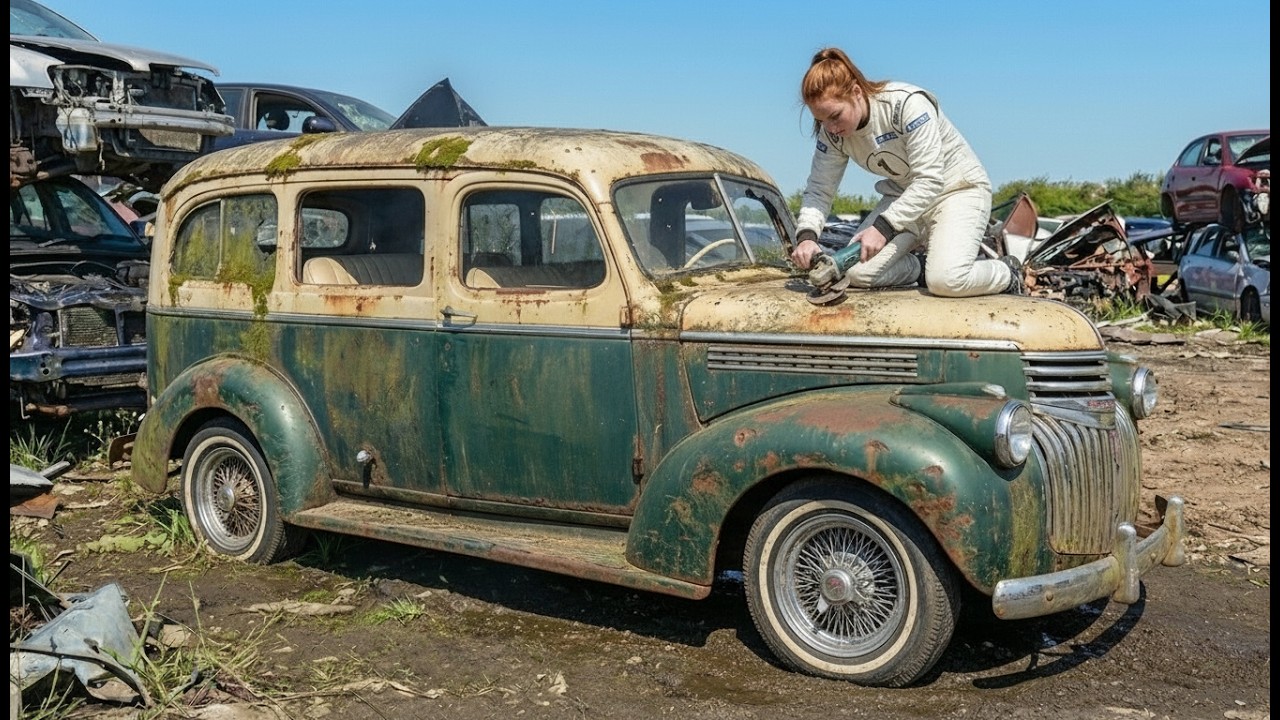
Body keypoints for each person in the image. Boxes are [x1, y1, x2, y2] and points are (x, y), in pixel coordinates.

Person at [789, 47, 1021, 296]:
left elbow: (930, 180)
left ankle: (1007, 273)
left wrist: (883, 228)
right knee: (855, 272)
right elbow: (819, 190)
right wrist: (807, 236)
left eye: (835, 116)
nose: (830, 128)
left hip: (956, 191)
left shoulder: (906, 105)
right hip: (903, 198)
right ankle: (920, 269)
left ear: (856, 92)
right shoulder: (832, 135)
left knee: (946, 281)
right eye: (820, 120)